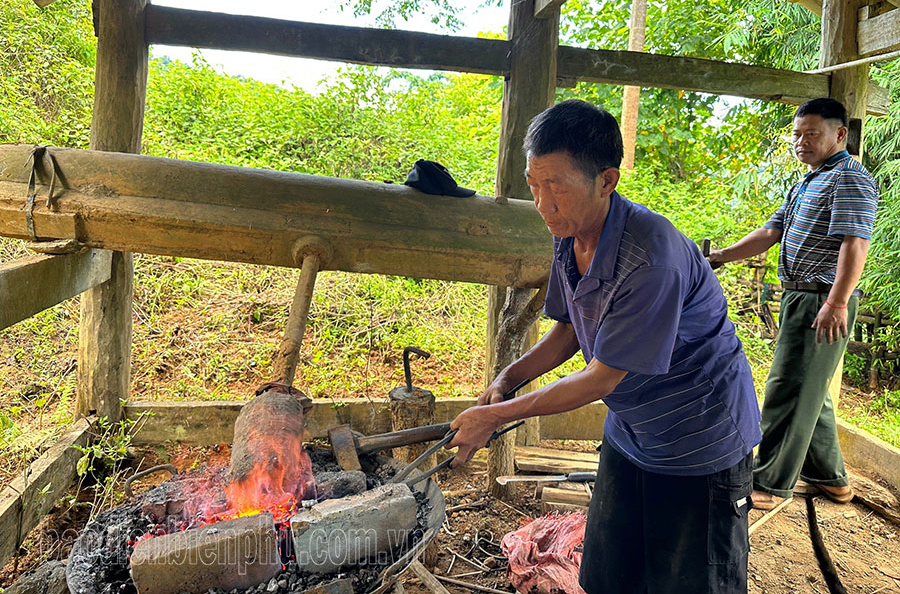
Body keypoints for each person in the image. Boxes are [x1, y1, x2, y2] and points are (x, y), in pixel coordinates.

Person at [447, 99, 762, 594]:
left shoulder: (651, 258)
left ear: (607, 181)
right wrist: (510, 379)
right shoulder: (569, 228)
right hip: (631, 431)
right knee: (608, 571)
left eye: (557, 188)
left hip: (697, 437)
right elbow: (571, 329)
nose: (544, 205)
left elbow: (601, 377)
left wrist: (496, 416)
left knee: (688, 582)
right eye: (534, 186)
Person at [708, 97, 879, 511]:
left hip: (823, 299)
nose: (801, 142)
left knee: (788, 388)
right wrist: (720, 256)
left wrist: (837, 303)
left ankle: (769, 482)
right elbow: (772, 231)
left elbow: (855, 244)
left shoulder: (850, 178)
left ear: (840, 135)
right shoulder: (808, 179)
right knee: (810, 391)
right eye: (797, 134)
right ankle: (831, 479)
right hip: (800, 294)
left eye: (812, 134)